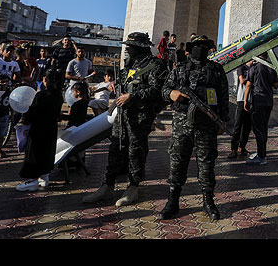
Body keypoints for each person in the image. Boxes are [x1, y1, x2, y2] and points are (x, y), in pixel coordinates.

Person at [82, 32, 168, 207]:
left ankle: (133, 187)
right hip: (122, 116)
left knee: (135, 151)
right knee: (115, 149)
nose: (127, 49)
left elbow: (157, 90)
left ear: (140, 48)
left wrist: (132, 95)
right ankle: (108, 186)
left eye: (131, 46)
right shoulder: (131, 64)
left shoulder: (155, 65)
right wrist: (114, 84)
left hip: (140, 116)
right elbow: (122, 79)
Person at [158, 35, 229, 220]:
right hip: (182, 124)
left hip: (206, 126)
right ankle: (172, 201)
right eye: (198, 46)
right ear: (192, 47)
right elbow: (164, 89)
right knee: (177, 163)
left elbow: (222, 97)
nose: (201, 49)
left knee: (207, 165)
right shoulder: (180, 68)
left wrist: (223, 120)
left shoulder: (216, 69)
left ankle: (208, 201)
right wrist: (172, 93)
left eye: (205, 46)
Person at [15, 69, 64, 191]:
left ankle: (32, 180)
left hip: (38, 129)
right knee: (47, 151)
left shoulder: (41, 95)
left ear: (46, 80)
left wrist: (25, 119)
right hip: (51, 128)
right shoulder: (59, 96)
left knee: (34, 153)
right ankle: (44, 176)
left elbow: (33, 112)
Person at [244, 53, 278, 166]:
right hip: (268, 101)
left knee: (257, 129)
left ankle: (261, 156)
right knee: (264, 127)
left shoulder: (254, 67)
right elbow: (276, 85)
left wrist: (246, 100)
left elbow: (248, 85)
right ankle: (262, 153)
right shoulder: (271, 67)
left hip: (257, 100)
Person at [228, 60, 253, 159]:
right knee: (238, 125)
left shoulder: (254, 68)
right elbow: (242, 81)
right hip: (241, 99)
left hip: (251, 99)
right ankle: (233, 148)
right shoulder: (242, 68)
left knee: (247, 126)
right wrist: (251, 81)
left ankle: (242, 146)